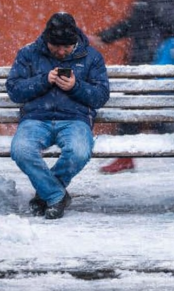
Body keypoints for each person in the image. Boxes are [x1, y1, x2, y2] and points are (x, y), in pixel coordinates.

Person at [89, 0, 174, 174]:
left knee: (146, 112)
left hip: (151, 66)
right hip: (144, 64)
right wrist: (104, 37)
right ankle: (127, 156)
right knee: (136, 112)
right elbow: (131, 24)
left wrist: (165, 50)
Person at [7, 12, 110, 219]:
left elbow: (100, 96)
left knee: (79, 152)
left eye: (67, 47)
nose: (62, 51)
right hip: (36, 119)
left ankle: (44, 194)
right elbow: (15, 90)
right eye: (57, 47)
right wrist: (43, 80)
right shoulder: (28, 54)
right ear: (47, 40)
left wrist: (76, 86)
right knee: (21, 151)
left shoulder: (91, 57)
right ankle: (56, 195)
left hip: (75, 120)